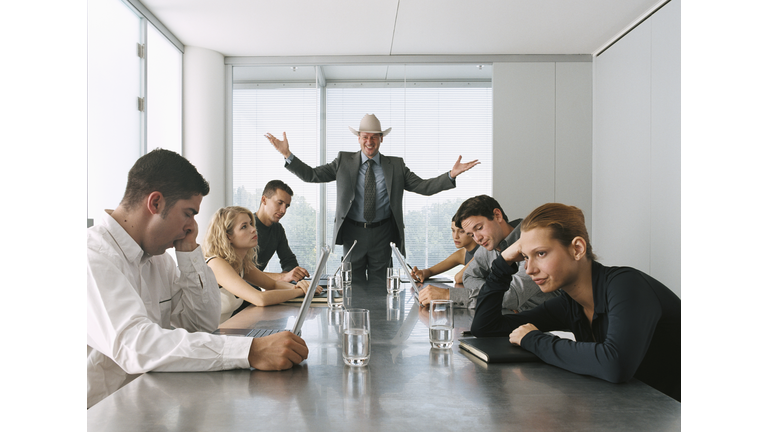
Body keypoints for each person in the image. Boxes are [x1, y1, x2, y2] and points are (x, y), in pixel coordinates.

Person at [87, 149, 309, 409]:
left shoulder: (159, 260)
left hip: (144, 407)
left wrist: (189, 252)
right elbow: (136, 345)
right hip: (99, 415)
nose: (192, 226)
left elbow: (201, 323)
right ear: (155, 203)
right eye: (188, 213)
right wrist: (251, 351)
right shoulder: (93, 256)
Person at [471, 203, 681, 401]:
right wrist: (502, 264)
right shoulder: (570, 303)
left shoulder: (627, 285)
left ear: (577, 249)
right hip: (637, 410)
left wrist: (534, 340)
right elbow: (486, 328)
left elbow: (615, 364)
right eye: (525, 257)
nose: (529, 269)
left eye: (541, 253)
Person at [265, 113, 480, 286]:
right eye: (365, 137)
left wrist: (450, 175)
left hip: (382, 233)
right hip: (352, 233)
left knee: (381, 287)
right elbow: (311, 175)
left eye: (374, 137)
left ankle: (380, 336)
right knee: (352, 286)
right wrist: (288, 155)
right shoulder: (343, 161)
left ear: (381, 139)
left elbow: (423, 186)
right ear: (358, 138)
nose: (369, 141)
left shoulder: (395, 165)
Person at [418, 194, 558, 310]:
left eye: (479, 228)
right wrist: (493, 293)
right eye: (471, 234)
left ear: (497, 215)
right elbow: (468, 276)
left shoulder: (532, 240)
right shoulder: (489, 246)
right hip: (520, 321)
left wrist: (450, 296)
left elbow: (511, 297)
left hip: (555, 328)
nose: (477, 239)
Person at [203, 206, 317, 324]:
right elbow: (260, 299)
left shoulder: (240, 263)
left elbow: (273, 284)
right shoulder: (216, 263)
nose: (253, 229)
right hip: (204, 337)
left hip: (222, 333)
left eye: (251, 224)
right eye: (244, 227)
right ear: (228, 236)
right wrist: (301, 291)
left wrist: (303, 286)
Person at [253, 180, 309, 283]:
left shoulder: (277, 229)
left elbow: (289, 261)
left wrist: (286, 276)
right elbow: (244, 272)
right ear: (264, 200)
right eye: (279, 203)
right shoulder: (247, 226)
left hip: (254, 289)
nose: (283, 210)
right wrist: (283, 277)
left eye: (286, 206)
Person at [410, 213, 479, 284]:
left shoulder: (483, 251)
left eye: (461, 231)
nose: (455, 236)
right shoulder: (462, 254)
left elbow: (459, 278)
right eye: (453, 230)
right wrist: (421, 273)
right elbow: (431, 271)